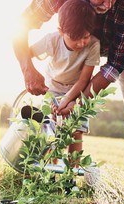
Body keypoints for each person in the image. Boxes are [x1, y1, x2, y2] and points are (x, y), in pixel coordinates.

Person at [13, 0, 124, 199]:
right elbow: (22, 24)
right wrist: (27, 69)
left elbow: (114, 66)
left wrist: (78, 102)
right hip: (78, 40)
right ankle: (50, 171)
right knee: (57, 114)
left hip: (119, 42)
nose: (107, 3)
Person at [29, 0, 99, 165]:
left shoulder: (94, 45)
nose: (81, 43)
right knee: (51, 130)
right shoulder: (52, 40)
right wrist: (32, 72)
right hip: (52, 88)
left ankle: (71, 175)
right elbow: (28, 53)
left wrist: (68, 100)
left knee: (76, 130)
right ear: (61, 31)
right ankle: (50, 173)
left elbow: (84, 80)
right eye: (75, 38)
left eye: (86, 36)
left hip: (77, 91)